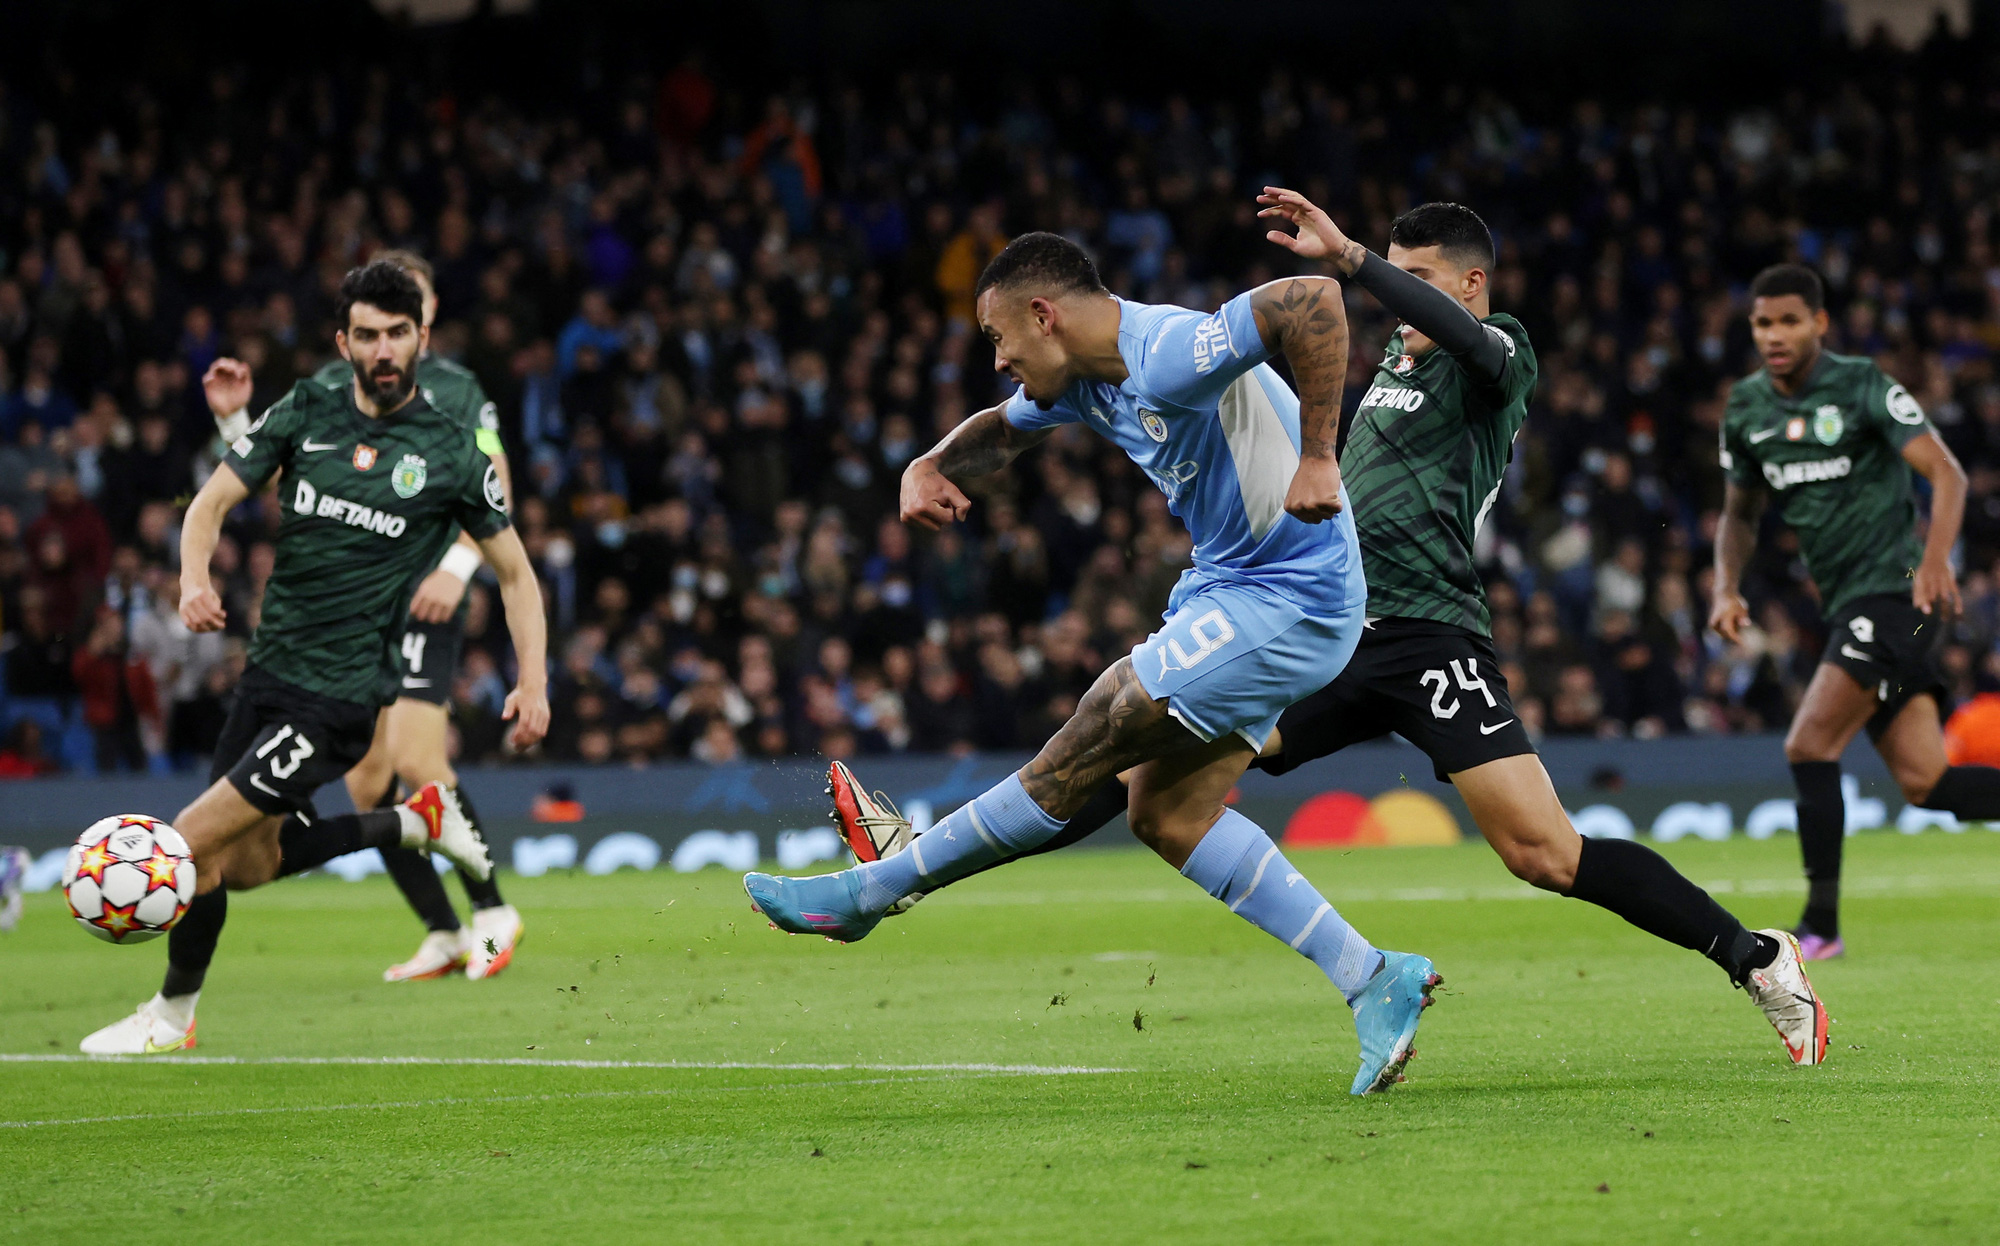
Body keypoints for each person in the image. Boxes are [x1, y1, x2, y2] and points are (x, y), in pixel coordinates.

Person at [840, 194, 1831, 1069]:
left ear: (1469, 287)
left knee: (1541, 853)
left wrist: (1351, 263)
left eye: (1420, 283)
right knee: (1150, 775)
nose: (1399, 305)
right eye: (1392, 280)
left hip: (1429, 633)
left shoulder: (1495, 360)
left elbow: (1427, 330)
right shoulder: (1379, 375)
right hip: (1318, 626)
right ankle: (918, 857)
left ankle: (1752, 957)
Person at [746, 231, 1441, 1097]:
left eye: (1000, 339)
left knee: (1111, 707)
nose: (998, 360)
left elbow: (1314, 302)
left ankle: (874, 890)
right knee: (1166, 813)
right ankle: (1374, 977)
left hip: (1294, 592)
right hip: (1230, 586)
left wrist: (1317, 455)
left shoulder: (1169, 352)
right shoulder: (1081, 382)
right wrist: (928, 465)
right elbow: (998, 435)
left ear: (1045, 315)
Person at [79, 262, 550, 1054]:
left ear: (421, 337)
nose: (384, 348)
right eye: (367, 334)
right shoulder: (308, 408)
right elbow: (214, 503)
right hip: (268, 676)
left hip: (341, 696)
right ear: (344, 342)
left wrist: (533, 680)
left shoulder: (450, 451)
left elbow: (518, 575)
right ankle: (411, 821)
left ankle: (169, 1015)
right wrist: (193, 578)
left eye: (399, 332)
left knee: (186, 842)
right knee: (246, 867)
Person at [1712, 262, 1997, 960]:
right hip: (1849, 606)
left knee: (1808, 744)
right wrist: (1726, 585)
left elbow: (1948, 474)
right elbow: (1738, 515)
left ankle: (1821, 925)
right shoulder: (1748, 408)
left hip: (1897, 593)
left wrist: (1934, 559)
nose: (1774, 335)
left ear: (1819, 324)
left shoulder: (1863, 386)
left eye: (1788, 321)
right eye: (1762, 323)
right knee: (1928, 784)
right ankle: (1824, 925)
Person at [303, 250, 524, 983]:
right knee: (365, 784)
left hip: (426, 595)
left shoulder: (459, 390)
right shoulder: (339, 390)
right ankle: (442, 929)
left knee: (418, 762)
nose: (396, 335)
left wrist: (460, 566)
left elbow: (494, 483)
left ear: (425, 322)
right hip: (358, 607)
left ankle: (492, 909)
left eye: (412, 313)